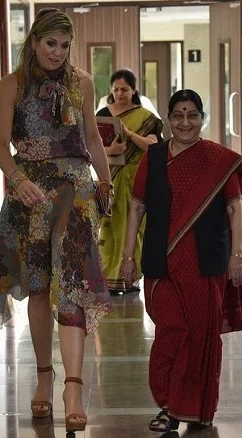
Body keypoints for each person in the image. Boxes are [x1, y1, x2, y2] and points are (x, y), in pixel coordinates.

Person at [0, 8, 113, 432]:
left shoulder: (82, 82)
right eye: (51, 44)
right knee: (39, 289)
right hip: (30, 193)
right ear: (34, 42)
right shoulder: (11, 84)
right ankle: (44, 378)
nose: (58, 53)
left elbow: (91, 139)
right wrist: (17, 178)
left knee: (73, 287)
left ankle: (73, 387)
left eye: (65, 46)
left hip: (75, 192)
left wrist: (105, 184)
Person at [121, 89, 242, 431]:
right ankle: (167, 403)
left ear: (202, 118)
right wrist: (126, 257)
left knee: (201, 335)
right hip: (162, 262)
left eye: (192, 115)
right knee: (171, 330)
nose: (185, 122)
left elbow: (234, 208)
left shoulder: (218, 159)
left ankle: (190, 408)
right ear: (167, 119)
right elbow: (137, 206)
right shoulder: (154, 158)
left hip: (206, 263)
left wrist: (237, 256)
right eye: (178, 115)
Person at [96, 69, 162, 294]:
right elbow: (90, 149)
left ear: (134, 90)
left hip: (136, 180)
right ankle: (109, 278)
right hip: (110, 177)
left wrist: (130, 134)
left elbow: (153, 147)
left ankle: (129, 277)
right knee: (109, 228)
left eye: (124, 89)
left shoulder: (145, 117)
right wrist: (111, 150)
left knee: (135, 228)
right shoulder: (103, 114)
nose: (119, 94)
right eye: (115, 89)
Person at [96, 92, 161, 119]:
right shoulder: (104, 100)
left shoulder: (144, 100)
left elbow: (154, 122)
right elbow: (99, 122)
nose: (120, 93)